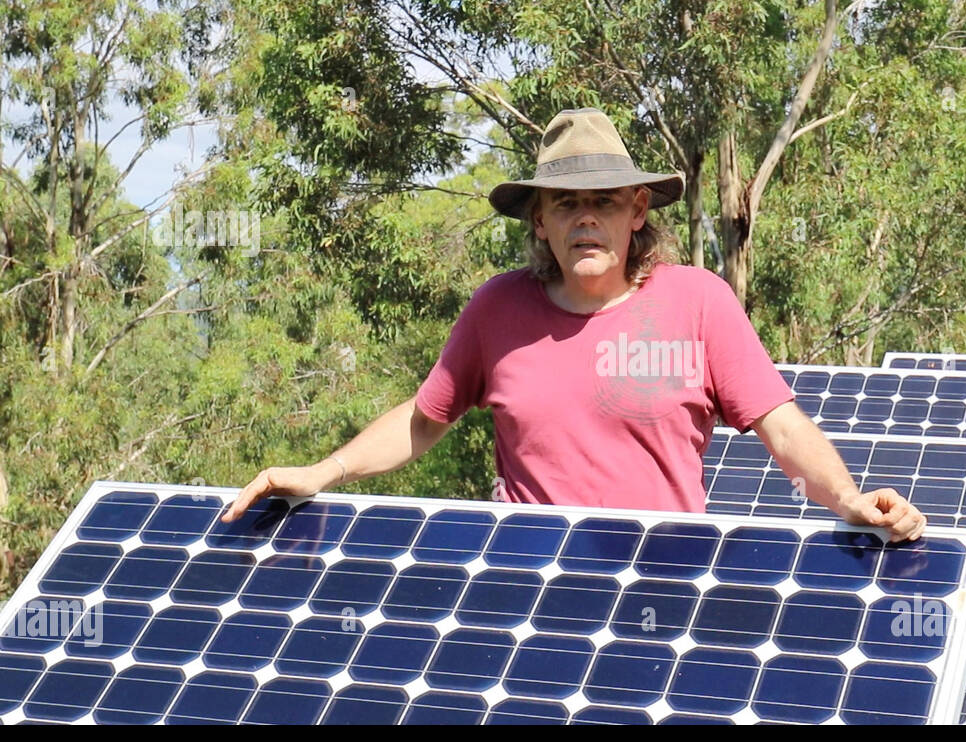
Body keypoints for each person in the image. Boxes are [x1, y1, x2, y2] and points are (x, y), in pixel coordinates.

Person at [220, 108, 927, 541]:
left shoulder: (698, 302)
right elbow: (424, 420)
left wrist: (850, 501)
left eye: (605, 201)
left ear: (637, 211)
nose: (586, 218)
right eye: (565, 204)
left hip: (665, 593)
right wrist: (323, 471)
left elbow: (782, 426)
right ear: (540, 220)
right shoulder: (497, 309)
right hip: (526, 596)